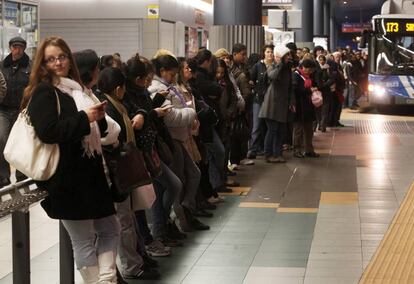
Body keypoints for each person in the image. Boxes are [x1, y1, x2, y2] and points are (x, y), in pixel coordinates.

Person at [22, 36, 120, 283]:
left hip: (90, 173)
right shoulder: (43, 91)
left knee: (110, 228)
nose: (58, 63)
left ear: (69, 58)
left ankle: (106, 280)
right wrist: (84, 118)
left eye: (62, 57)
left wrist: (96, 118)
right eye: (51, 59)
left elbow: (99, 132)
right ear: (43, 64)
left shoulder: (75, 89)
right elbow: (48, 132)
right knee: (83, 240)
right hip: (67, 179)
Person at [98, 67, 161, 280]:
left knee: (129, 219)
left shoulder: (116, 105)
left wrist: (143, 113)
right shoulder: (109, 109)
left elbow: (140, 109)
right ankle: (131, 266)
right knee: (123, 222)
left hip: (123, 170)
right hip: (118, 172)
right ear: (118, 89)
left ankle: (136, 259)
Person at [148, 54, 208, 231]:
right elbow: (171, 117)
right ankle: (176, 219)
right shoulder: (156, 89)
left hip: (178, 138)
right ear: (162, 71)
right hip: (170, 139)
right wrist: (191, 113)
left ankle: (184, 211)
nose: (174, 77)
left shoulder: (168, 86)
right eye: (172, 73)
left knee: (192, 174)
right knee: (177, 183)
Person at [0, 36, 30, 187]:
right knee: (2, 139)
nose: (17, 50)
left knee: (20, 142)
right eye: (14, 47)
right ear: (10, 48)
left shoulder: (29, 66)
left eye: (20, 47)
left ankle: (21, 174)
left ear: (24, 48)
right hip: (3, 110)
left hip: (22, 111)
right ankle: (4, 176)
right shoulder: (2, 65)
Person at [258, 45, 294, 163]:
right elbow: (272, 76)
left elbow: (289, 86)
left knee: (281, 131)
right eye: (287, 55)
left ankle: (278, 153)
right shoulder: (273, 66)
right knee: (272, 130)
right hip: (271, 105)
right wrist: (279, 64)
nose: (290, 57)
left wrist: (291, 101)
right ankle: (268, 154)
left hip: (282, 104)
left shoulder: (288, 68)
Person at [247, 44, 274, 159]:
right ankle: (252, 150)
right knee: (257, 126)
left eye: (271, 52)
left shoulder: (275, 66)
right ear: (264, 53)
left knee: (270, 126)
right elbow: (250, 80)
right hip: (258, 99)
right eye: (268, 52)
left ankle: (268, 150)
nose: (270, 54)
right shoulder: (258, 66)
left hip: (271, 101)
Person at [292, 59, 320, 158]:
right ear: (304, 67)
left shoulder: (308, 76)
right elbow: (296, 90)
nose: (310, 72)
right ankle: (297, 150)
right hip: (299, 106)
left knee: (309, 130)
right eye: (309, 70)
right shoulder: (296, 75)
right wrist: (309, 90)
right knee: (298, 129)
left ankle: (309, 149)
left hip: (308, 106)